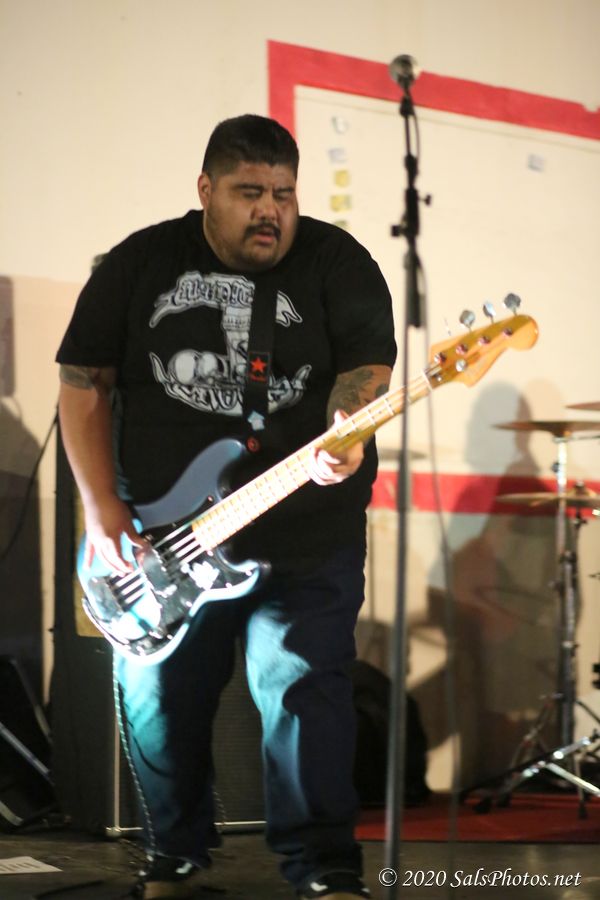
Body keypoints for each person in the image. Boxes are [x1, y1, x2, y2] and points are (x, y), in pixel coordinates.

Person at [56, 114, 396, 900]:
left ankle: (325, 868)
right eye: (249, 192)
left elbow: (365, 376)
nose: (270, 210)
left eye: (283, 193)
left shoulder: (338, 263)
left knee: (308, 692)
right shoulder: (141, 262)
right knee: (161, 701)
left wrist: (348, 436)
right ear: (206, 189)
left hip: (307, 531)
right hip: (164, 536)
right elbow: (84, 383)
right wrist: (102, 508)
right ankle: (171, 855)